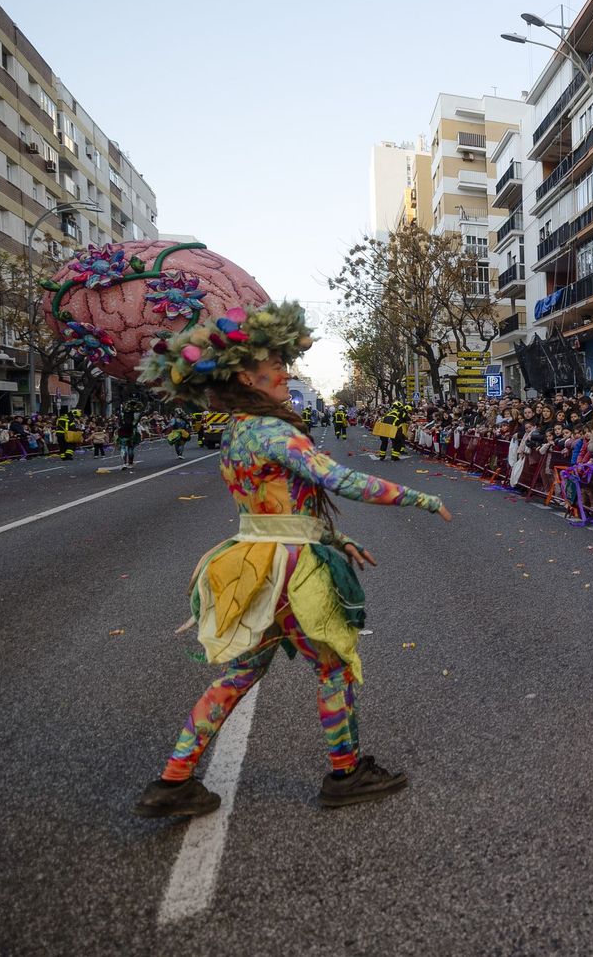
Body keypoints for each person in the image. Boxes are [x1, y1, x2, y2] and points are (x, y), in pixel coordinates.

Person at [131, 302, 453, 819]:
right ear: (245, 376)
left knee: (240, 674)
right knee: (332, 666)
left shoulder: (238, 430)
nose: (285, 373)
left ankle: (174, 780)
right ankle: (345, 774)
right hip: (288, 570)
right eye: (273, 366)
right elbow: (339, 479)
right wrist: (421, 498)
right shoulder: (275, 431)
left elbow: (280, 504)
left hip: (255, 560)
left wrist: (333, 535)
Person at [117, 399, 144, 471]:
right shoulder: (136, 413)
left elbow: (119, 422)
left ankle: (124, 463)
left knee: (123, 447)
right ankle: (130, 462)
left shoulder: (122, 413)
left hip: (122, 431)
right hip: (132, 431)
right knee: (130, 448)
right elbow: (135, 422)